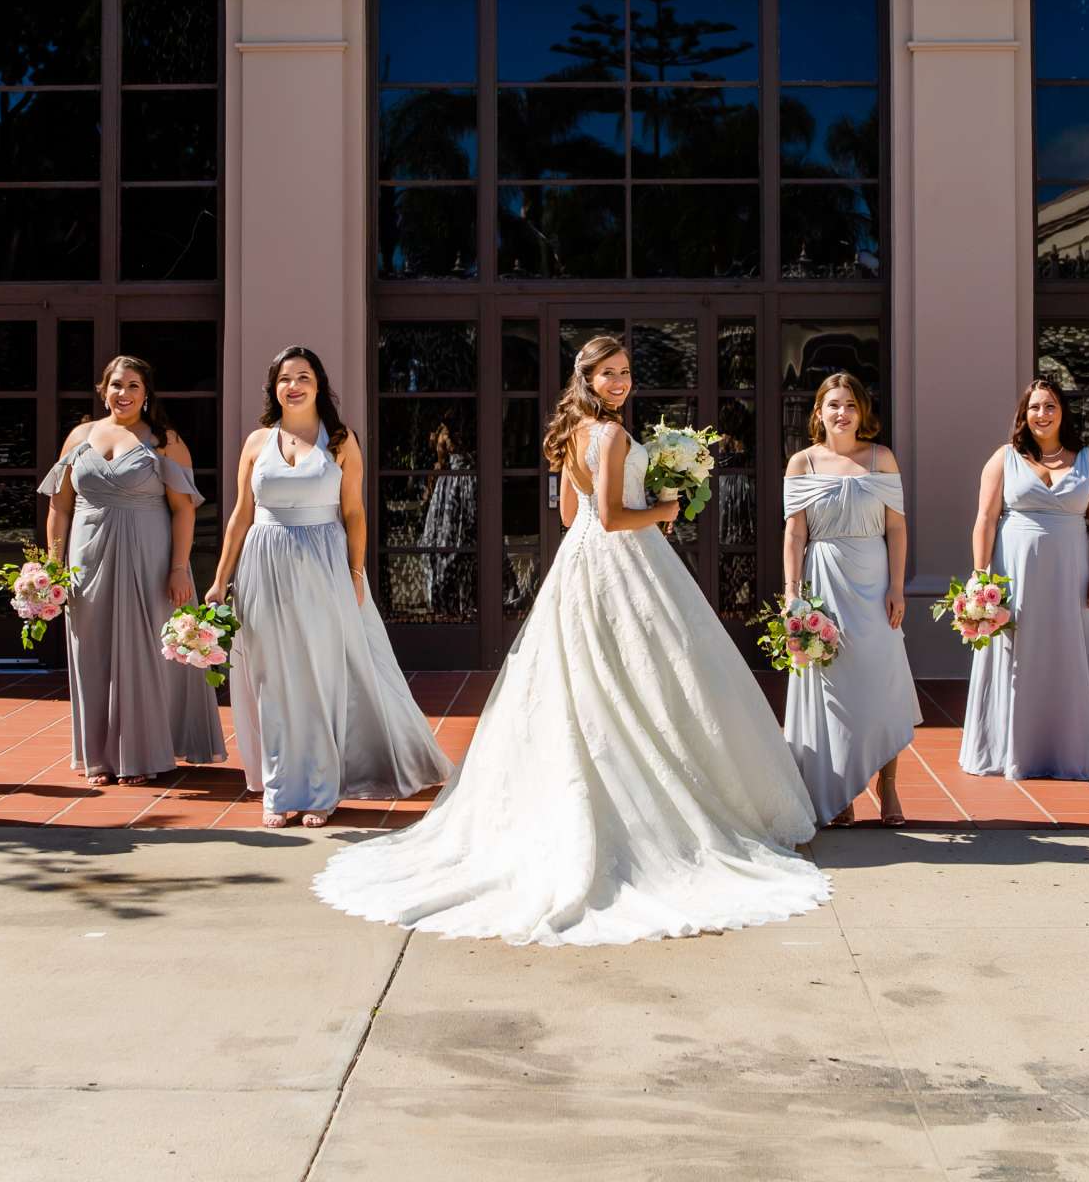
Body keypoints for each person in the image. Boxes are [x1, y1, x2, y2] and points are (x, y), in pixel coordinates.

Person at [311, 333, 828, 946]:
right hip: (619, 558)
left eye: (626, 372)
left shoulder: (572, 434)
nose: (620, 381)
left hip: (577, 564)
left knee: (593, 682)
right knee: (644, 677)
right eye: (608, 373)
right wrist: (663, 509)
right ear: (586, 378)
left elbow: (567, 515)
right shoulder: (607, 434)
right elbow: (610, 518)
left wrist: (637, 492)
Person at [210, 347, 450, 828]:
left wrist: (356, 572)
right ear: (273, 388)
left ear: (319, 386)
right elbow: (240, 515)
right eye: (284, 379)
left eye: (303, 377)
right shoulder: (257, 442)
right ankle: (279, 791)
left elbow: (355, 512)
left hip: (323, 563)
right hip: (264, 563)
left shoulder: (340, 440)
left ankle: (321, 789)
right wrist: (219, 581)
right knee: (272, 680)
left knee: (320, 676)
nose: (293, 386)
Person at [40, 354, 223, 788]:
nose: (123, 394)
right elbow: (59, 506)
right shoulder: (79, 438)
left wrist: (179, 568)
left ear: (147, 394)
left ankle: (145, 753)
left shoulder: (165, 441)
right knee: (93, 652)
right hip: (88, 561)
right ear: (103, 390)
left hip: (149, 559)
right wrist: (52, 566)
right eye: (116, 385)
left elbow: (183, 510)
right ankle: (99, 757)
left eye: (134, 386)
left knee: (146, 653)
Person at [959, 380, 1089, 780]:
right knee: (1018, 654)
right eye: (1034, 408)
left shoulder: (1087, 461)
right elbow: (984, 519)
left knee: (1068, 653)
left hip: (1072, 578)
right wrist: (980, 579)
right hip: (1014, 579)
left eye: (1050, 406)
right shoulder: (1004, 458)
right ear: (1023, 414)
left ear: (1062, 412)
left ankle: (1071, 751)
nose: (1042, 414)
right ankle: (1009, 751)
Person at [780, 373, 919, 826]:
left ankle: (889, 786)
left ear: (863, 413)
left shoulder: (882, 458)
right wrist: (793, 595)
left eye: (851, 406)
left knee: (880, 686)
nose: (842, 413)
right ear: (818, 412)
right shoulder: (802, 463)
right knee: (833, 690)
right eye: (834, 405)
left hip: (874, 584)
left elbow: (896, 528)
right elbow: (795, 532)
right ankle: (838, 789)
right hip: (824, 582)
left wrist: (897, 587)